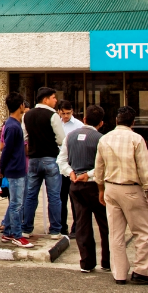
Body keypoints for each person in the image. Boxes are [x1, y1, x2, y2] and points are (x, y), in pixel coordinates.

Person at [94, 106, 148, 285]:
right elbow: (144, 169)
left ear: (116, 120)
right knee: (144, 231)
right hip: (131, 188)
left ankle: (119, 273)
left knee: (115, 233)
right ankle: (142, 270)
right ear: (133, 123)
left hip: (110, 188)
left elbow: (98, 168)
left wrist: (101, 189)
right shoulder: (136, 139)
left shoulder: (104, 139)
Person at [62, 105, 110, 273]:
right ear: (101, 123)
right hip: (95, 186)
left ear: (84, 119)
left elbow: (61, 160)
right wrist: (88, 174)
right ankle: (107, 261)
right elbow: (104, 165)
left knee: (82, 224)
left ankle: (87, 262)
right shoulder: (101, 139)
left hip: (75, 185)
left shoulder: (70, 136)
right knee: (105, 224)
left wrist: (71, 173)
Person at [21, 87, 66, 239]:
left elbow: (24, 137)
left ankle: (26, 228)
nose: (55, 100)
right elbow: (61, 139)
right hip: (50, 159)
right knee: (54, 196)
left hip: (33, 160)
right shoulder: (53, 115)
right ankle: (55, 230)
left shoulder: (27, 116)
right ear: (45, 99)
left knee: (30, 195)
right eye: (53, 98)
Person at [0, 93, 32, 248]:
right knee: (17, 205)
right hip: (15, 170)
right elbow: (6, 150)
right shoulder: (13, 126)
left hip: (16, 169)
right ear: (21, 106)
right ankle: (17, 235)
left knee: (15, 203)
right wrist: (1, 169)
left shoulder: (14, 124)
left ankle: (8, 232)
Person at [56, 99, 84, 235]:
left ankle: (76, 227)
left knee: (75, 199)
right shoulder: (56, 124)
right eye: (63, 113)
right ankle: (62, 226)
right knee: (61, 198)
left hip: (74, 166)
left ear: (72, 111)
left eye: (68, 113)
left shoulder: (78, 125)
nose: (66, 116)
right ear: (59, 112)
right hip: (61, 166)